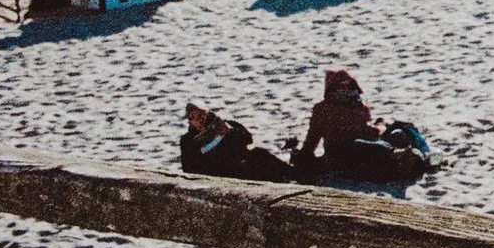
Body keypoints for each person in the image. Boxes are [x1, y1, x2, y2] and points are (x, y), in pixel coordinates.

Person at [294, 69, 431, 183]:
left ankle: (410, 158)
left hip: (365, 143)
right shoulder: (323, 108)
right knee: (375, 147)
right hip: (341, 150)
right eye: (340, 86)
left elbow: (367, 130)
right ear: (332, 89)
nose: (345, 89)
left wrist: (379, 128)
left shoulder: (359, 106)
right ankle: (400, 161)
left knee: (399, 135)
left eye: (348, 85)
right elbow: (313, 136)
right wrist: (305, 155)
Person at [179, 104, 295, 183]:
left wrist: (231, 131)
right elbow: (194, 163)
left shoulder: (225, 124)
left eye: (202, 114)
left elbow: (248, 139)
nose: (200, 119)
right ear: (190, 121)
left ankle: (294, 174)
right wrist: (218, 139)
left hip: (239, 163)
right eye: (194, 117)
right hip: (219, 173)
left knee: (259, 153)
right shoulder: (188, 141)